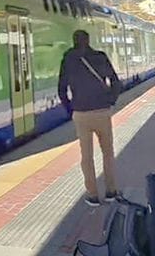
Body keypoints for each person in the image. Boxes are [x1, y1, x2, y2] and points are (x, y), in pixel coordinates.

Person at [58, 30, 122, 206]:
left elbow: (61, 89)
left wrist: (70, 109)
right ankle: (111, 191)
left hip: (81, 115)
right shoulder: (99, 57)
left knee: (86, 157)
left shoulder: (68, 59)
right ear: (88, 40)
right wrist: (110, 100)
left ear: (74, 41)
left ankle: (92, 195)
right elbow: (116, 82)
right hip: (102, 112)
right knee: (108, 153)